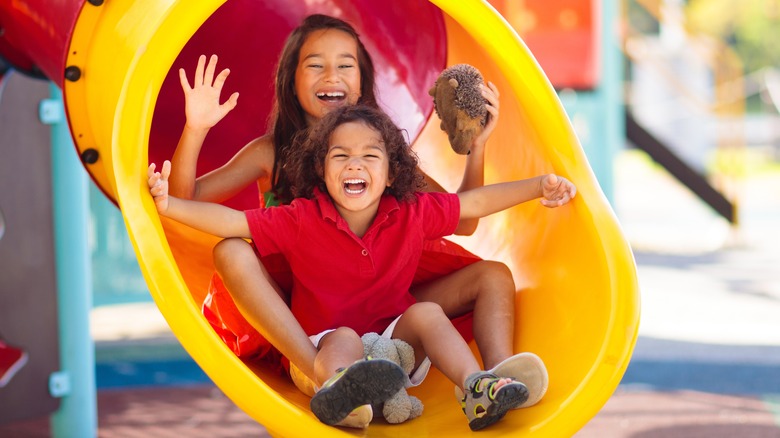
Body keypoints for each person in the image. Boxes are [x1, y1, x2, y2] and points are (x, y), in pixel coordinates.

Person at [169, 13, 546, 419]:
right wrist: (195, 128)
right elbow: (185, 198)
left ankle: (495, 381)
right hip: (312, 313)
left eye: (345, 65)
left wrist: (478, 149)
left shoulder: (380, 154)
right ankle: (319, 371)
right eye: (315, 65)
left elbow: (465, 216)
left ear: (362, 82)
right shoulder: (272, 153)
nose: (331, 75)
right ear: (290, 82)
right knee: (232, 250)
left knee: (492, 275)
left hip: (383, 298)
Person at [148, 104, 576, 430]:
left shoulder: (410, 211)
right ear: (321, 169)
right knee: (345, 336)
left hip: (393, 344)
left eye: (371, 156)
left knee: (425, 313)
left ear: (392, 173)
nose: (355, 164)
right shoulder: (302, 217)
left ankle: (479, 386)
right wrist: (170, 206)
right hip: (323, 348)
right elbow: (232, 223)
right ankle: (340, 393)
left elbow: (474, 204)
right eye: (341, 156)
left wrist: (538, 186)